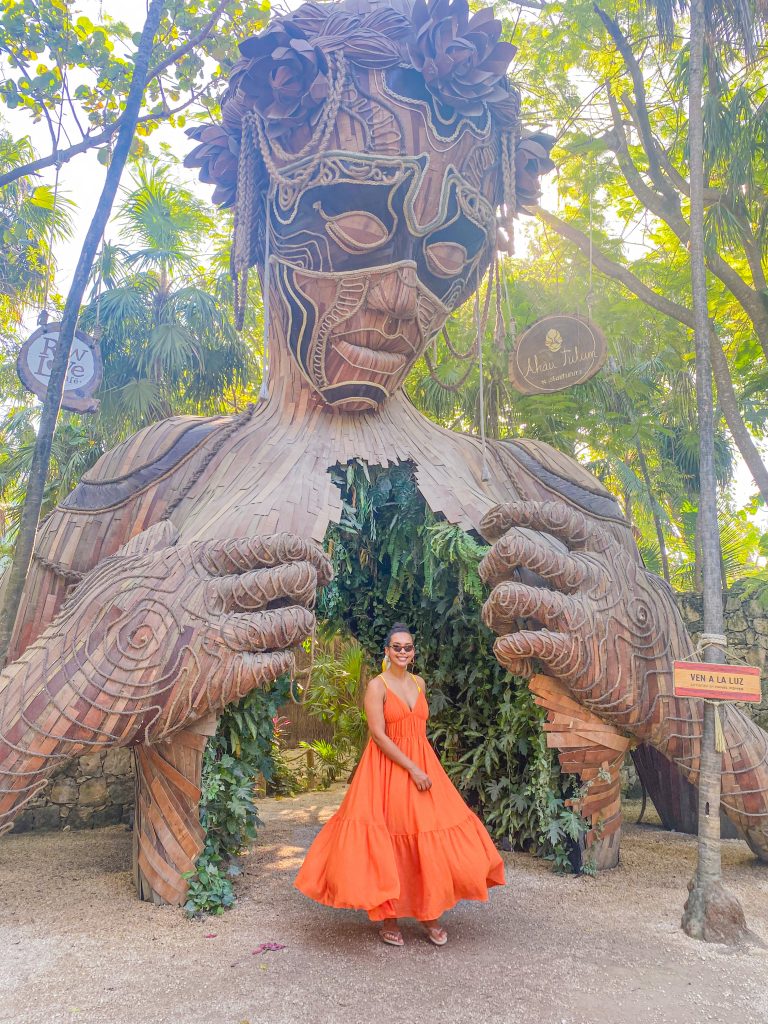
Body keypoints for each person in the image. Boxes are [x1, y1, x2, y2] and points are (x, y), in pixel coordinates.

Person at [294, 623, 505, 946]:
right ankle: (388, 917)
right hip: (388, 768)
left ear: (413, 652)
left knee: (431, 832)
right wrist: (411, 768)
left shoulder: (419, 683)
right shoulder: (376, 686)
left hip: (422, 763)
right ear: (387, 651)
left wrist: (422, 767)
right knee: (391, 836)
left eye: (407, 647)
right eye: (397, 647)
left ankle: (429, 913)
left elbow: (417, 730)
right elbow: (379, 736)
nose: (402, 652)